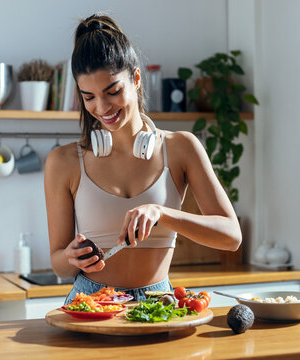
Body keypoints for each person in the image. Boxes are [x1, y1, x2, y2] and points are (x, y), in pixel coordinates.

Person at [44, 13, 242, 304]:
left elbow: (231, 236)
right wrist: (72, 258)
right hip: (92, 302)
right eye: (89, 97)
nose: (102, 107)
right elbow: (58, 262)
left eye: (113, 91)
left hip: (158, 302)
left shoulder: (181, 147)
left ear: (135, 79)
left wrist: (162, 213)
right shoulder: (63, 162)